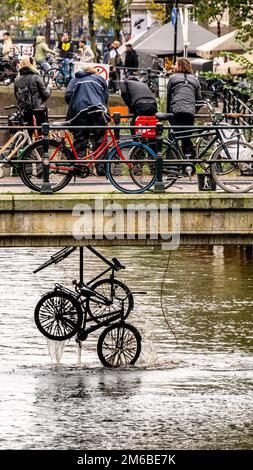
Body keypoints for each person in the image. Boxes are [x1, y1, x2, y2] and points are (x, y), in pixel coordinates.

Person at [65, 65, 109, 175]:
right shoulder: (100, 79)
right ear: (93, 72)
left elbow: (68, 96)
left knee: (80, 139)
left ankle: (80, 168)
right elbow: (106, 96)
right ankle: (101, 168)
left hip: (80, 112)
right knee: (100, 139)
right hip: (97, 110)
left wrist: (77, 100)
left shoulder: (74, 80)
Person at [166, 57, 202, 156]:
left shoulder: (173, 78)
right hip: (189, 112)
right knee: (186, 138)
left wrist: (168, 114)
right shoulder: (194, 79)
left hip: (176, 111)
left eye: (176, 64)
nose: (174, 66)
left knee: (173, 138)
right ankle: (188, 163)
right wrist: (193, 110)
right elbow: (199, 100)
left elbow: (169, 96)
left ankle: (171, 164)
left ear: (180, 66)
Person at [14, 56, 51, 136]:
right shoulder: (36, 77)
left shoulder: (17, 79)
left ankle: (27, 148)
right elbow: (45, 94)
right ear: (30, 64)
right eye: (34, 63)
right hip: (38, 110)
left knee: (28, 135)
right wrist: (49, 88)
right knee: (43, 135)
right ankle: (41, 148)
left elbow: (16, 95)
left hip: (25, 110)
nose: (36, 64)